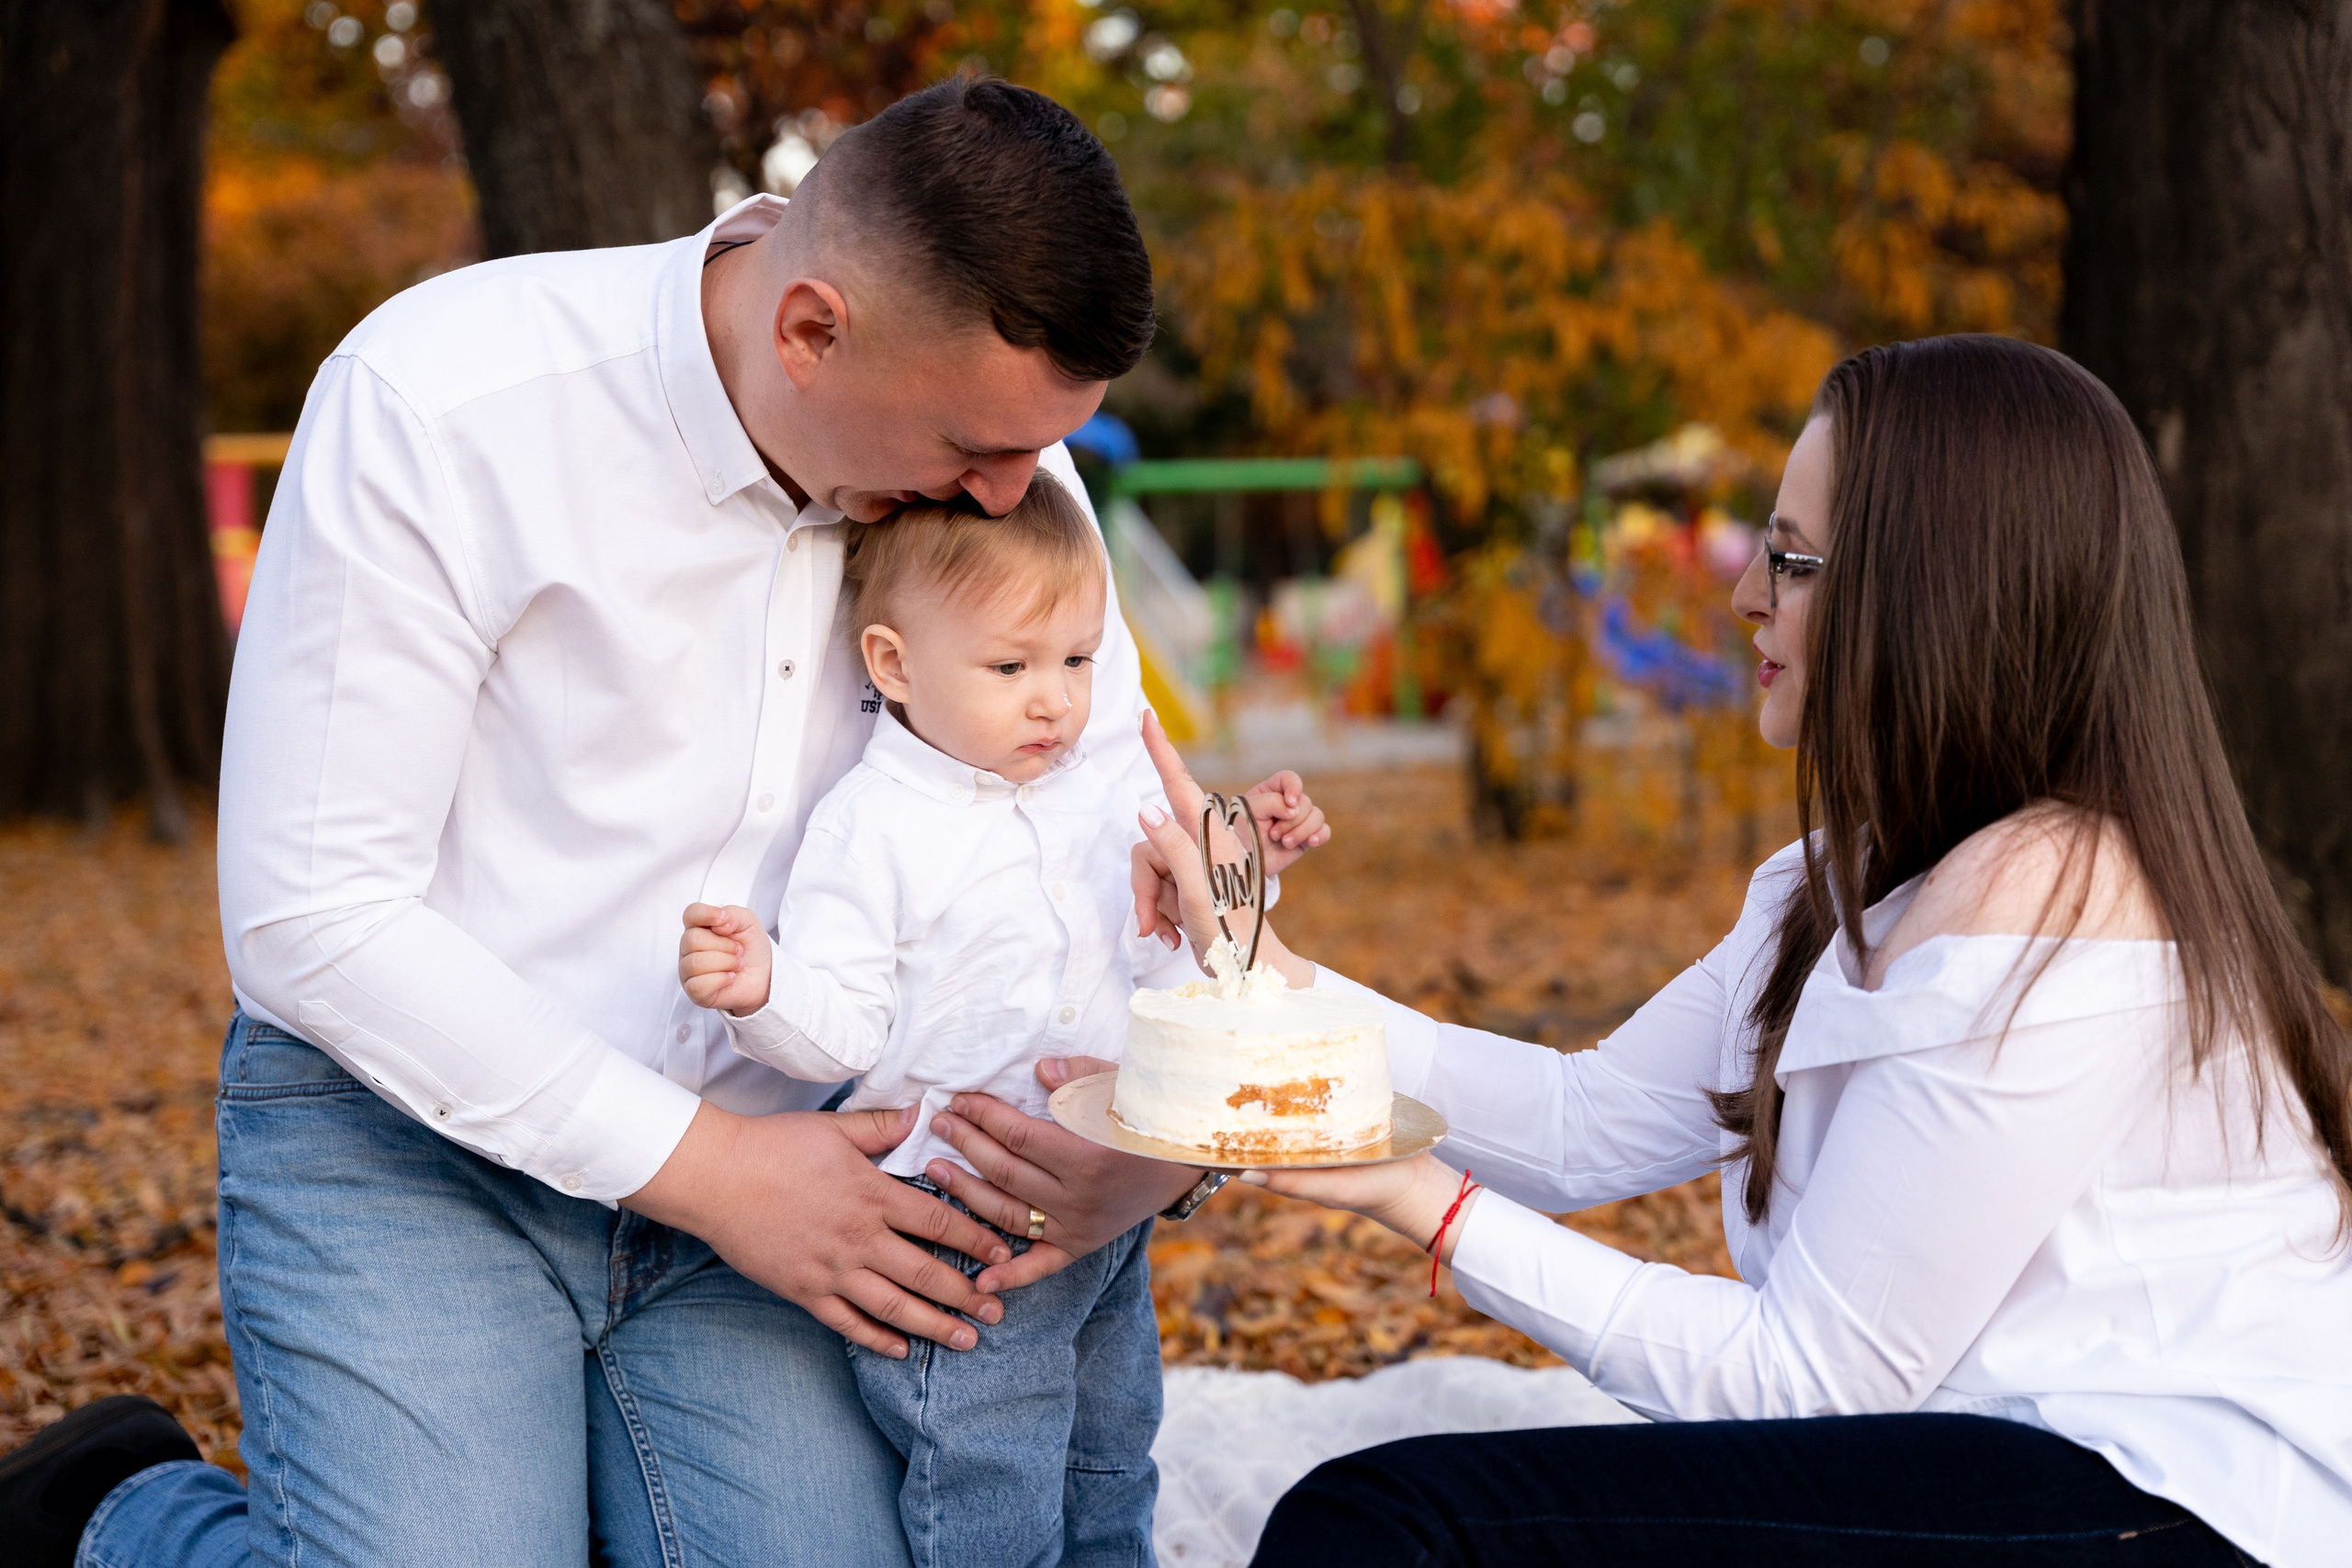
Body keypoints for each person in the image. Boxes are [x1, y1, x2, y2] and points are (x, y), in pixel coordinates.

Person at [0, 78, 1237, 1568]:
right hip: (420, 1145)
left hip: (791, 1186)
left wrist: (1163, 1143)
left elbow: (1127, 846)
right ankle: (116, 1510)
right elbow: (308, 918)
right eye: (978, 444)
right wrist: (714, 1169)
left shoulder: (1001, 492)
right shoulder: (443, 400)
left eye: (1041, 450)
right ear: (811, 329)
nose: (1013, 492)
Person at [1126, 335, 2352, 1566]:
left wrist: (1419, 1200)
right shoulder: (1837, 886)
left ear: (1941, 586)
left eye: (1794, 559)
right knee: (1389, 1513)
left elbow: (1805, 1380)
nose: (1746, 597)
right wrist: (1247, 955)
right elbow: (1572, 1122)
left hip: (2178, 1498)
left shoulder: (2054, 891)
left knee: (1392, 1524)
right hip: (1983, 1452)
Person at [673, 473, 1326, 1567]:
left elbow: (1170, 950)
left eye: (1077, 662)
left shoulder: (1089, 795)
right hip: (959, 1218)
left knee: (1113, 1447)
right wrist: (766, 989)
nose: (1055, 701)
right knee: (990, 1473)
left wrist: (1241, 855)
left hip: (1102, 1192)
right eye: (1012, 667)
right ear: (894, 666)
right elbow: (844, 1035)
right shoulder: (872, 829)